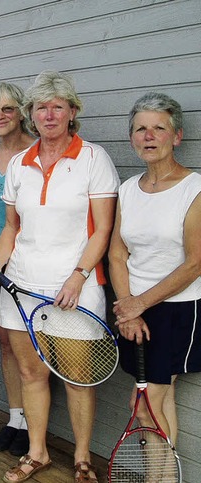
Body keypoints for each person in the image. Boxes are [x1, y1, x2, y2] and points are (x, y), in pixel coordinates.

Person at [0, 71, 119, 483]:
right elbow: (10, 227)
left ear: (72, 111)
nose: (49, 114)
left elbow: (102, 229)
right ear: (31, 114)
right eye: (41, 107)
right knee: (31, 374)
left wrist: (78, 277)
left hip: (75, 289)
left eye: (58, 106)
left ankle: (80, 459)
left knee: (78, 379)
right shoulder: (20, 165)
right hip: (22, 288)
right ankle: (37, 452)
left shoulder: (94, 159)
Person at [109, 92, 201, 448]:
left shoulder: (194, 188)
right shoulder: (128, 189)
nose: (148, 136)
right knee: (156, 403)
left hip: (177, 310)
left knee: (144, 406)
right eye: (140, 129)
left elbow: (195, 262)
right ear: (132, 137)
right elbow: (117, 254)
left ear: (176, 136)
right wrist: (128, 306)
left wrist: (138, 304)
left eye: (158, 128)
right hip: (133, 311)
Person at [0, 83, 36, 457]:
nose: (0, 115)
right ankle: (16, 418)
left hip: (33, 259)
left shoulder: (38, 150)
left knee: (30, 343)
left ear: (21, 112)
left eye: (7, 108)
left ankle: (34, 422)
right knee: (5, 339)